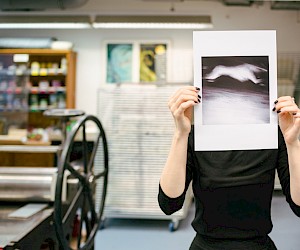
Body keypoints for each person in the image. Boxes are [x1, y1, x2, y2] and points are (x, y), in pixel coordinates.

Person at [158, 86, 300, 250]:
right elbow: (169, 204)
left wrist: (293, 142)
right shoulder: (198, 137)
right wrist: (180, 133)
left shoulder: (271, 136)